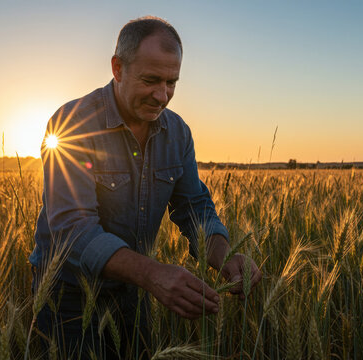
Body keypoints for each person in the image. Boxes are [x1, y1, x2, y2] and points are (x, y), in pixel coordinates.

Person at [29, 16, 262, 359]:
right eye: (151, 80)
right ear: (118, 68)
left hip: (133, 293)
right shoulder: (72, 124)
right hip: (67, 294)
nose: (162, 95)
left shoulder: (177, 133)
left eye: (172, 82)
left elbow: (194, 205)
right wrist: (152, 274)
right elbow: (72, 229)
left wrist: (223, 256)